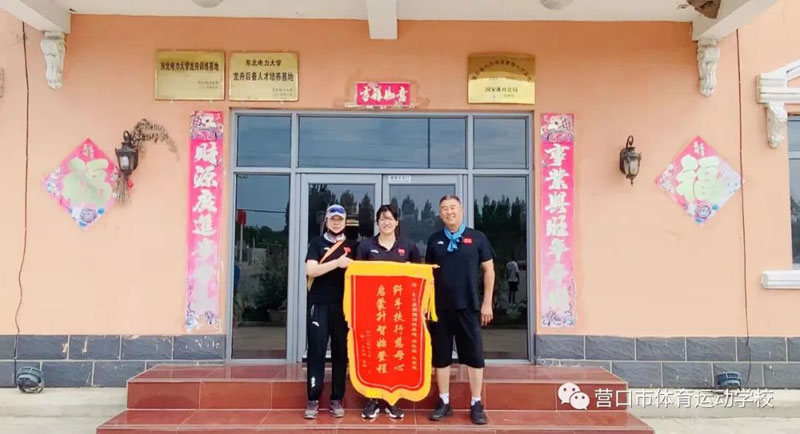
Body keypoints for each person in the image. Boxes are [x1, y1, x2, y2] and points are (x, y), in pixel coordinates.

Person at [425, 195, 495, 425]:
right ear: (440, 213)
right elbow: (428, 276)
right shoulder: (435, 240)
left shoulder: (477, 238)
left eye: (453, 207)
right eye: (444, 208)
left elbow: (489, 270)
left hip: (469, 306)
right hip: (440, 308)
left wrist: (487, 303)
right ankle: (444, 401)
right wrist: (427, 305)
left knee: (474, 355)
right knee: (441, 356)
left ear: (461, 210)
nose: (449, 212)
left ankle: (476, 403)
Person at [355, 204, 421, 420]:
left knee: (395, 353)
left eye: (390, 218)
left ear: (397, 222)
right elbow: (357, 278)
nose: (386, 222)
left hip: (398, 312)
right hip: (372, 310)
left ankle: (393, 400)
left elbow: (419, 278)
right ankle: (372, 399)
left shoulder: (408, 247)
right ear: (377, 222)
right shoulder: (366, 246)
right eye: (382, 218)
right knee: (373, 354)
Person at [303, 204, 358, 419]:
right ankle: (313, 398)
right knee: (316, 350)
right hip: (319, 304)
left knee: (340, 352)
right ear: (326, 221)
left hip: (343, 307)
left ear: (345, 222)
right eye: (332, 219)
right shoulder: (316, 243)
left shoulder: (353, 245)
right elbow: (311, 269)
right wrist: (337, 263)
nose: (336, 223)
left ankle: (337, 398)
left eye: (340, 219)